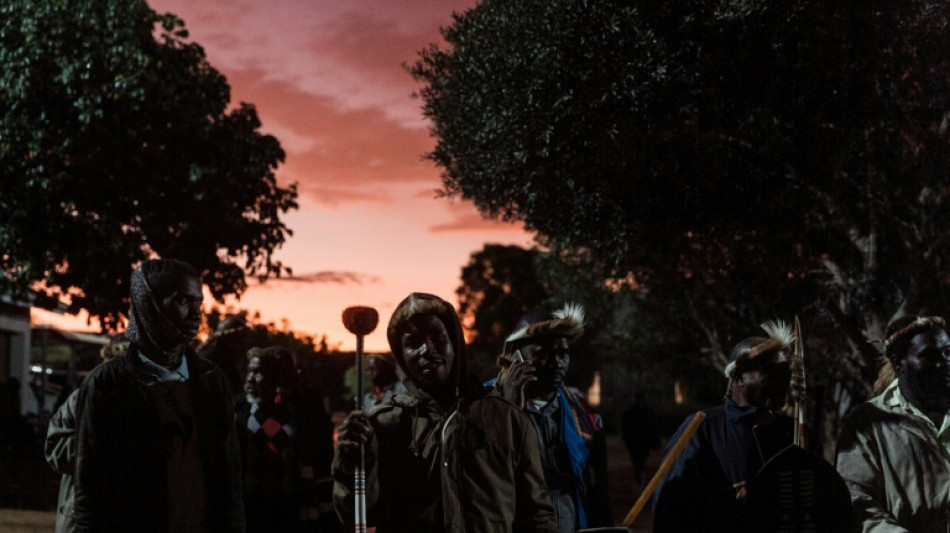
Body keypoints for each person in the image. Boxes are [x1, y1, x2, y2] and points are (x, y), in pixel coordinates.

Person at [332, 292, 558, 532]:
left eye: (437, 337)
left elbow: (536, 515)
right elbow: (359, 514)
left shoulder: (506, 418)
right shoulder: (383, 424)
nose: (426, 349)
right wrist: (349, 462)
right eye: (413, 342)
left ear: (455, 342)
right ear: (401, 355)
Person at [72, 259, 244, 532]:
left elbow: (230, 479)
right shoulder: (108, 385)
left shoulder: (212, 381)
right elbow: (90, 489)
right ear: (148, 304)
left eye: (198, 303)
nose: (195, 315)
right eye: (182, 301)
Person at [652, 321, 794, 533]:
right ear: (738, 377)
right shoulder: (701, 428)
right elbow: (669, 508)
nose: (779, 381)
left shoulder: (787, 430)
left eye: (782, 373)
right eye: (768, 372)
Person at [492, 303, 613, 532]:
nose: (557, 362)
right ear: (515, 356)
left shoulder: (586, 417)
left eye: (563, 353)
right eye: (542, 354)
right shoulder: (482, 407)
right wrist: (509, 406)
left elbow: (599, 494)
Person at [835, 315, 950, 531]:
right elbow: (856, 501)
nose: (944, 363)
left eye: (948, 352)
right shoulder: (869, 423)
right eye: (929, 355)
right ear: (899, 363)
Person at [236, 345, 336, 532]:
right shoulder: (238, 410)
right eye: (249, 371)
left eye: (258, 373)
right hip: (251, 503)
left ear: (275, 378)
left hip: (288, 504)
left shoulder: (296, 413)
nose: (251, 378)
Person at [45, 334, 129, 533]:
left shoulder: (145, 403)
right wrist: (95, 444)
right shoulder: (82, 399)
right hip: (83, 516)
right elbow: (54, 450)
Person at [198, 314, 251, 403]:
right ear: (227, 339)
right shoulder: (211, 361)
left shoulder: (227, 360)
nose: (242, 344)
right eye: (238, 339)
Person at [621, 391, 660, 491]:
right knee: (638, 462)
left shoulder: (642, 412)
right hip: (637, 442)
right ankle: (640, 481)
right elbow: (625, 427)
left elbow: (652, 427)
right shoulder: (641, 412)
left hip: (641, 442)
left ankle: (640, 481)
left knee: (639, 462)